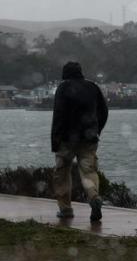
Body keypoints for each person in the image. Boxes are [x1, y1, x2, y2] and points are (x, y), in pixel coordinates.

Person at [51, 61, 108, 222]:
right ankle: (94, 197)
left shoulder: (63, 88)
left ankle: (65, 209)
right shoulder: (93, 87)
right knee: (88, 171)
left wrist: (55, 140)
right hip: (89, 138)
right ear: (80, 72)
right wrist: (97, 130)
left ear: (65, 74)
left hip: (66, 139)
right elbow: (103, 111)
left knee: (62, 173)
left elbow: (58, 116)